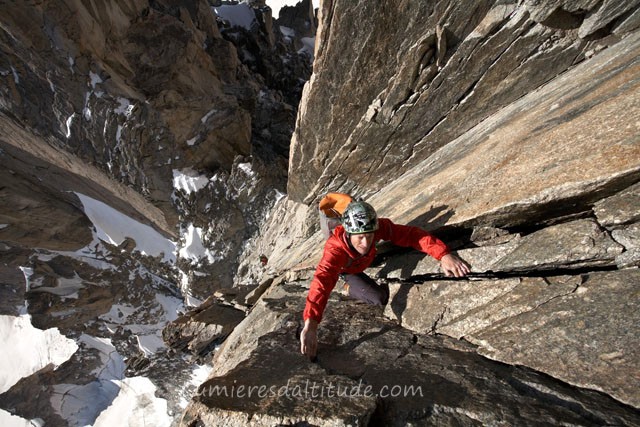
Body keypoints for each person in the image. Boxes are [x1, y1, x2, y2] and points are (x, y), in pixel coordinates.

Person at [300, 199, 470, 358]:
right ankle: (347, 287)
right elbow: (321, 283)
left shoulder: (376, 227)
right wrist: (311, 324)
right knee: (378, 297)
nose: (366, 243)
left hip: (364, 261)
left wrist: (443, 255)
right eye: (360, 237)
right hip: (348, 269)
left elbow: (412, 235)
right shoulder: (335, 251)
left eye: (369, 236)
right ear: (348, 232)